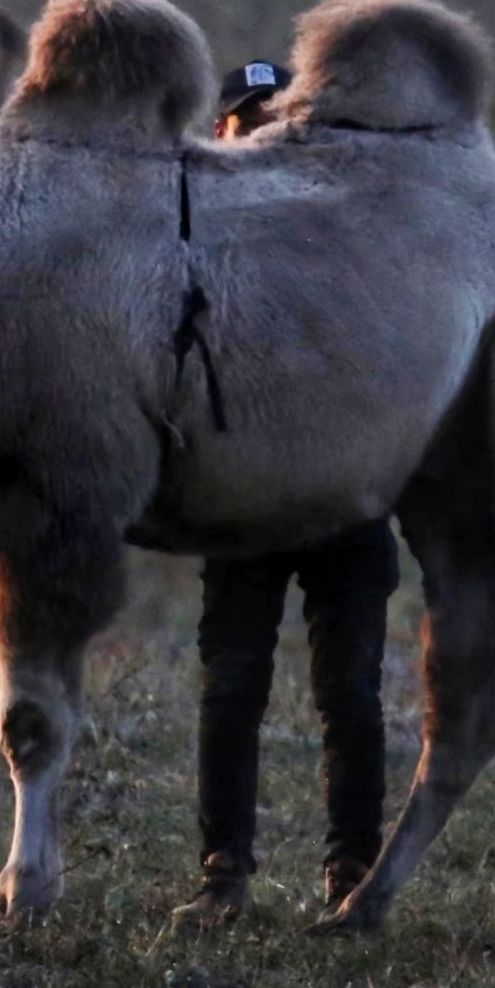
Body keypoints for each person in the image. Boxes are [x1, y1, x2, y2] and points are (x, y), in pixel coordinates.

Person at [176, 60, 403, 925]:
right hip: (242, 504)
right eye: (245, 119)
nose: (259, 131)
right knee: (232, 688)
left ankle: (350, 874)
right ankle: (223, 874)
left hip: (345, 500)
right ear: (221, 133)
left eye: (273, 116)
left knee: (348, 693)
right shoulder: (191, 237)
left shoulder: (356, 237)